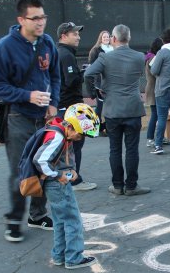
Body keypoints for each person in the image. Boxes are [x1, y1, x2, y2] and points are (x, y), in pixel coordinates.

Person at [0, 0, 60, 242]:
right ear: (21, 20)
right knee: (21, 171)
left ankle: (37, 215)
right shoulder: (6, 46)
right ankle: (14, 220)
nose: (41, 22)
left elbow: (55, 76)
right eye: (35, 18)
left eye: (43, 17)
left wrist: (53, 103)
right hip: (18, 117)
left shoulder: (47, 43)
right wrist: (27, 95)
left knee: (43, 166)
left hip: (44, 118)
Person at [84, 24, 150, 196]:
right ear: (129, 38)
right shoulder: (139, 57)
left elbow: (88, 73)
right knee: (132, 149)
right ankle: (132, 186)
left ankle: (118, 185)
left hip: (112, 109)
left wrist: (99, 89)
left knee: (115, 149)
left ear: (113, 39)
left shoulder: (105, 58)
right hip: (133, 108)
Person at [33, 115, 98, 269]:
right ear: (70, 127)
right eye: (79, 134)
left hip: (54, 184)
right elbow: (40, 160)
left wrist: (71, 170)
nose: (79, 138)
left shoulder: (61, 132)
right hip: (57, 184)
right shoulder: (58, 137)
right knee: (73, 220)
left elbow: (64, 157)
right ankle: (74, 258)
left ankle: (59, 255)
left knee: (60, 221)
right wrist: (58, 175)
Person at [56, 21, 97, 192]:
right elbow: (71, 81)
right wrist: (84, 73)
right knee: (75, 143)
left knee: (68, 146)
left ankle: (67, 178)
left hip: (63, 105)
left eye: (78, 33)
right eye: (74, 34)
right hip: (69, 107)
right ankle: (74, 180)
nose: (78, 37)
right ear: (64, 36)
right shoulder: (65, 54)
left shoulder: (61, 52)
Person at [88, 31, 113, 133]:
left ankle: (109, 127)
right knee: (100, 105)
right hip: (99, 83)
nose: (106, 38)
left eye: (108, 36)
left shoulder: (114, 49)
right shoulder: (96, 50)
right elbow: (92, 66)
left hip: (111, 82)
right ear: (101, 39)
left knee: (110, 106)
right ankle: (96, 127)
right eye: (104, 37)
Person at [144, 37, 164, 147]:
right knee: (155, 114)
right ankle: (150, 138)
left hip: (152, 88)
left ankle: (158, 137)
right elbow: (156, 72)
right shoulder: (153, 58)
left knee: (157, 114)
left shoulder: (150, 56)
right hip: (153, 89)